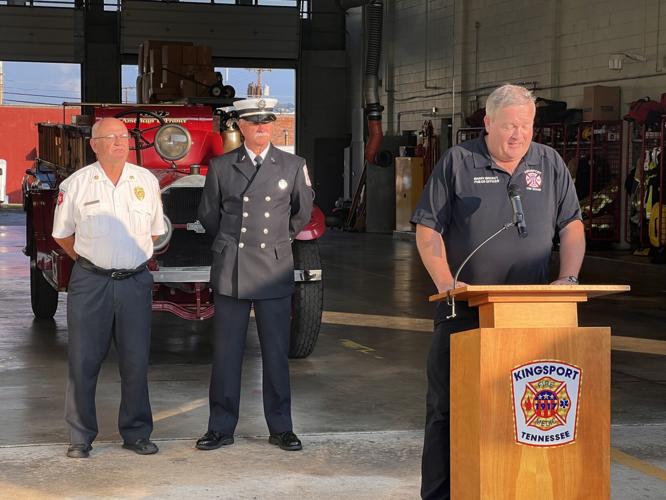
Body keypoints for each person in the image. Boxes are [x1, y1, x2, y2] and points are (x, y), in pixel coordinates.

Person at [411, 84, 585, 499]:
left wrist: (569, 278)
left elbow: (571, 225)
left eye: (526, 126)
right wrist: (445, 281)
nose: (518, 135)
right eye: (510, 126)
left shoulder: (550, 163)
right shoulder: (459, 162)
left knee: (520, 410)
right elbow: (427, 227)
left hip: (531, 315)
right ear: (488, 123)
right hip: (466, 310)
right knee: (447, 412)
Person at [196, 97, 313, 452]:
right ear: (241, 126)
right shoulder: (221, 166)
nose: (262, 126)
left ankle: (281, 427)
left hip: (273, 267)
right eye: (254, 121)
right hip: (233, 266)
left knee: (275, 353)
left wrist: (278, 241)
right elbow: (209, 215)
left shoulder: (293, 165)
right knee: (227, 354)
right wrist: (233, 244)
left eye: (267, 121)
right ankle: (220, 427)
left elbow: (301, 213)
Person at [52, 117, 165, 458]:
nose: (119, 142)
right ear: (94, 144)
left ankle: (136, 433)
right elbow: (62, 235)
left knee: (135, 360)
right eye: (110, 136)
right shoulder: (76, 185)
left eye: (124, 136)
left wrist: (126, 257)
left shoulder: (145, 180)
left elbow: (155, 232)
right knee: (84, 361)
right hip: (91, 282)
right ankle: (80, 437)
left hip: (134, 281)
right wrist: (93, 261)